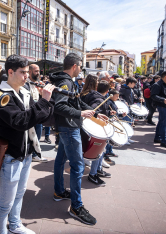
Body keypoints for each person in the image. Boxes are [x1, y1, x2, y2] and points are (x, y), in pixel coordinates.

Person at [0, 55, 55, 234]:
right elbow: (21, 121)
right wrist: (43, 101)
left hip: (26, 152)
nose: (27, 76)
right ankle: (1, 231)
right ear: (10, 72)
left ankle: (15, 225)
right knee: (6, 201)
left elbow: (38, 117)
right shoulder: (0, 95)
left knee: (19, 193)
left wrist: (49, 102)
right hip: (11, 155)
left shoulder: (24, 91)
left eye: (27, 72)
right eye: (23, 72)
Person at [50, 53, 108, 226]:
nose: (81, 70)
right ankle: (76, 206)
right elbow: (59, 106)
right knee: (77, 166)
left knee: (60, 160)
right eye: (80, 66)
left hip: (68, 126)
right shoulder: (65, 82)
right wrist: (80, 114)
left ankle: (59, 191)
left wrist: (95, 112)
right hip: (69, 128)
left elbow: (76, 102)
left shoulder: (68, 81)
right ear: (74, 66)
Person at [81, 81, 112, 186]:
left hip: (96, 126)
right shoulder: (98, 99)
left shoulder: (93, 95)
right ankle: (93, 174)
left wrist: (107, 113)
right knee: (98, 151)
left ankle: (97, 170)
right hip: (96, 128)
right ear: (107, 91)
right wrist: (99, 115)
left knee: (100, 151)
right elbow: (95, 111)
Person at [151, 71, 166, 150]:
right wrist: (163, 100)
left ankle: (157, 138)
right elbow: (153, 96)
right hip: (162, 106)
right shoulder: (157, 85)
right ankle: (164, 141)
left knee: (161, 122)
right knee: (164, 124)